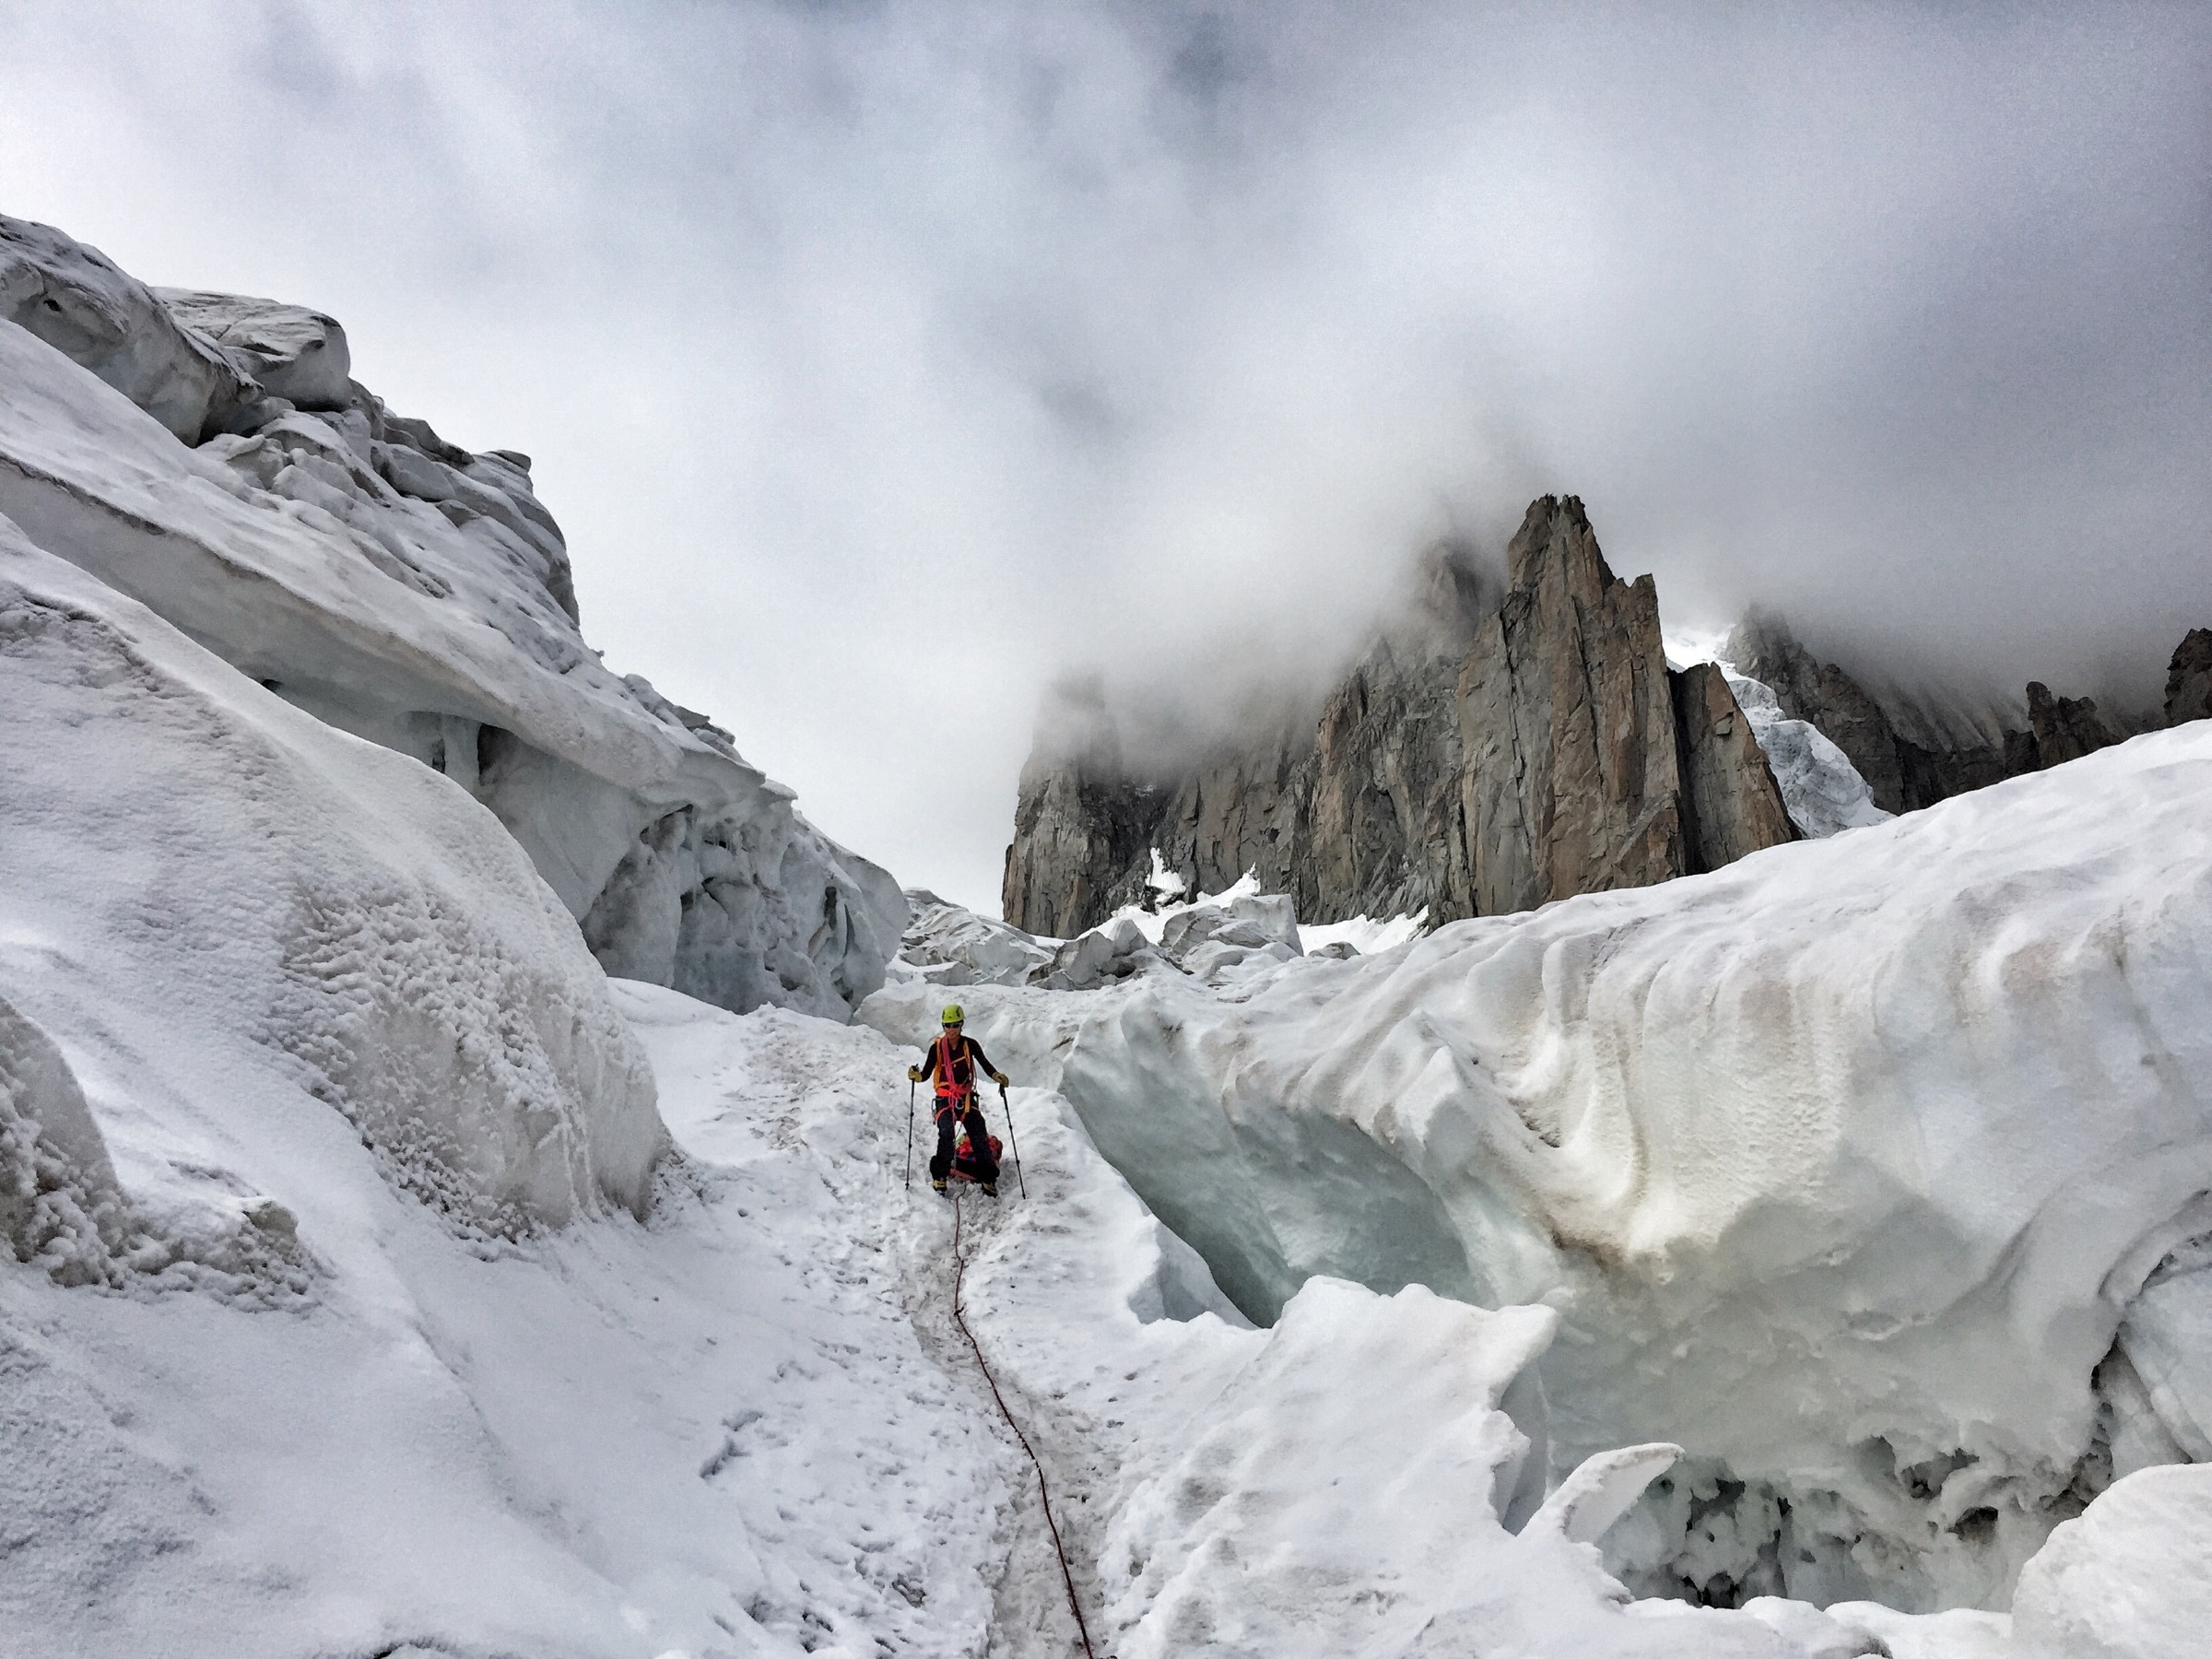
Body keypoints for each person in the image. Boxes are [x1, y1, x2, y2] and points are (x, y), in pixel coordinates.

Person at [909, 1004, 1009, 1195]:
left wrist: (997, 1076)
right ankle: (940, 1174)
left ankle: (988, 1177)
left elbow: (985, 1064)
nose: (951, 1029)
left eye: (955, 1025)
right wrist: (916, 1076)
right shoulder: (937, 1048)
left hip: (966, 1098)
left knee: (978, 1133)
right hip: (945, 1099)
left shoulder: (970, 1045)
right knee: (946, 1133)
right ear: (943, 1026)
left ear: (961, 1025)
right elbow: (926, 1073)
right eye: (948, 1025)